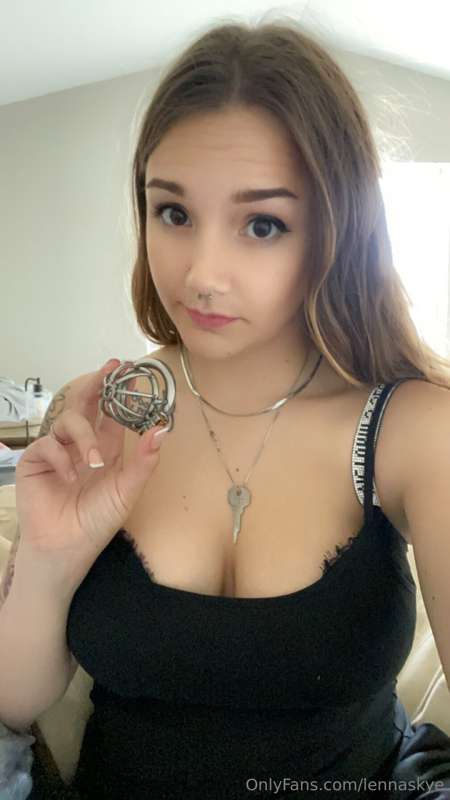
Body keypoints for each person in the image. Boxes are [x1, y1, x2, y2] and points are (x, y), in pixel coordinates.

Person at [1, 15, 450, 800]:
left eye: (263, 224)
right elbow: (15, 703)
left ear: (336, 230)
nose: (203, 274)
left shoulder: (414, 431)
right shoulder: (103, 413)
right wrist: (46, 557)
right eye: (174, 213)